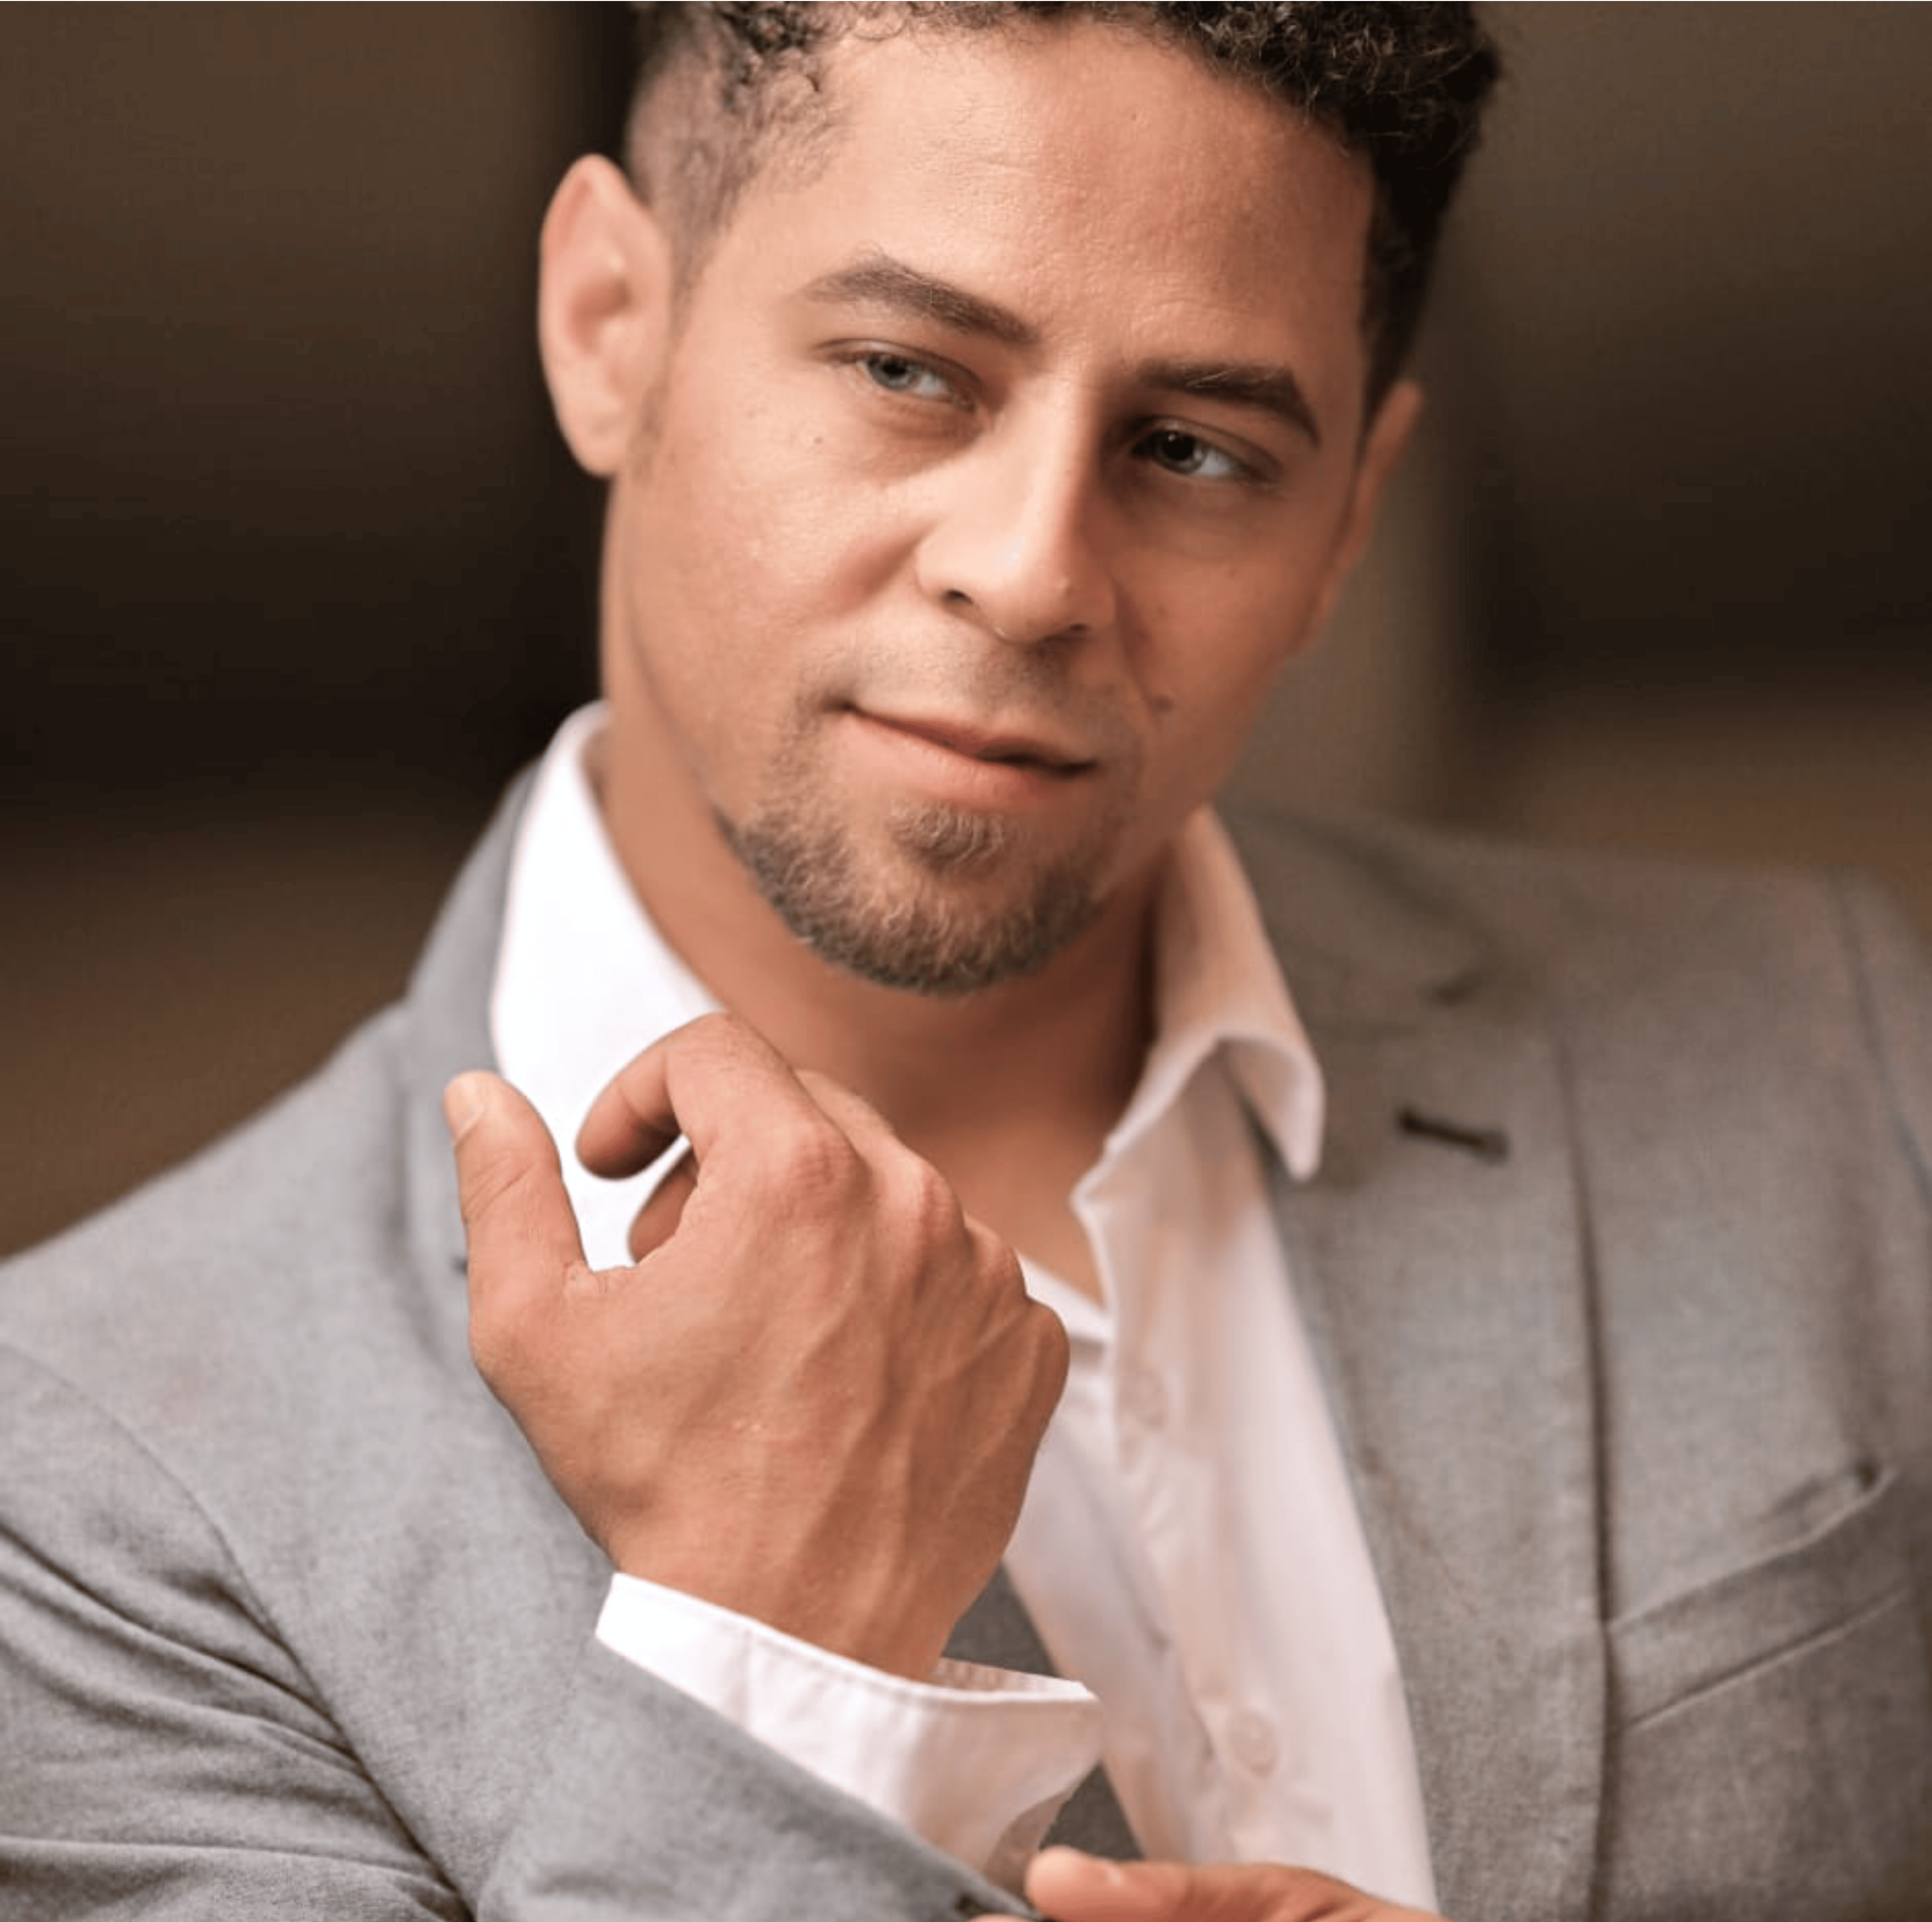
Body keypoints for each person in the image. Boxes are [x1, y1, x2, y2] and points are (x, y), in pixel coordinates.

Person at [3, 3, 1929, 1918]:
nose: (1028, 571)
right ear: (609, 325)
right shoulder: (79, 1496)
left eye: (1191, 449)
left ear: (1349, 511)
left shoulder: (1836, 1046)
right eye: (907, 371)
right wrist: (774, 1653)